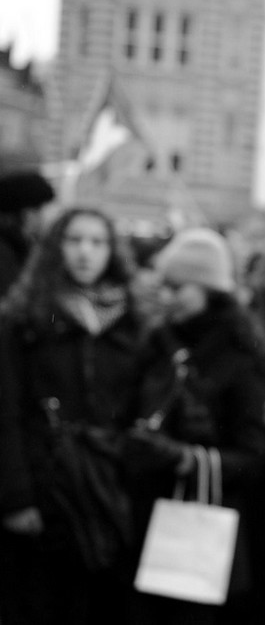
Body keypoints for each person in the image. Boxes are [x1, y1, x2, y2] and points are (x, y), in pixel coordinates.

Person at [0, 206, 145, 625]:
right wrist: (16, 496)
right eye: (74, 240)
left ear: (112, 251)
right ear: (55, 247)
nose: (86, 252)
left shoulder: (131, 322)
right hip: (46, 486)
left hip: (108, 488)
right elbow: (7, 411)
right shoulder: (24, 319)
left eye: (97, 242)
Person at [125, 227, 265, 625]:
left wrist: (181, 458)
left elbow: (253, 457)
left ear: (210, 288)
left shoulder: (241, 352)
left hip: (202, 523)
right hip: (144, 513)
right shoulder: (159, 339)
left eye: (179, 287)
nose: (166, 296)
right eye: (164, 286)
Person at [0, 169, 55, 299]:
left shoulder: (23, 245)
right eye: (45, 208)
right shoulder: (5, 254)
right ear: (27, 213)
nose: (50, 216)